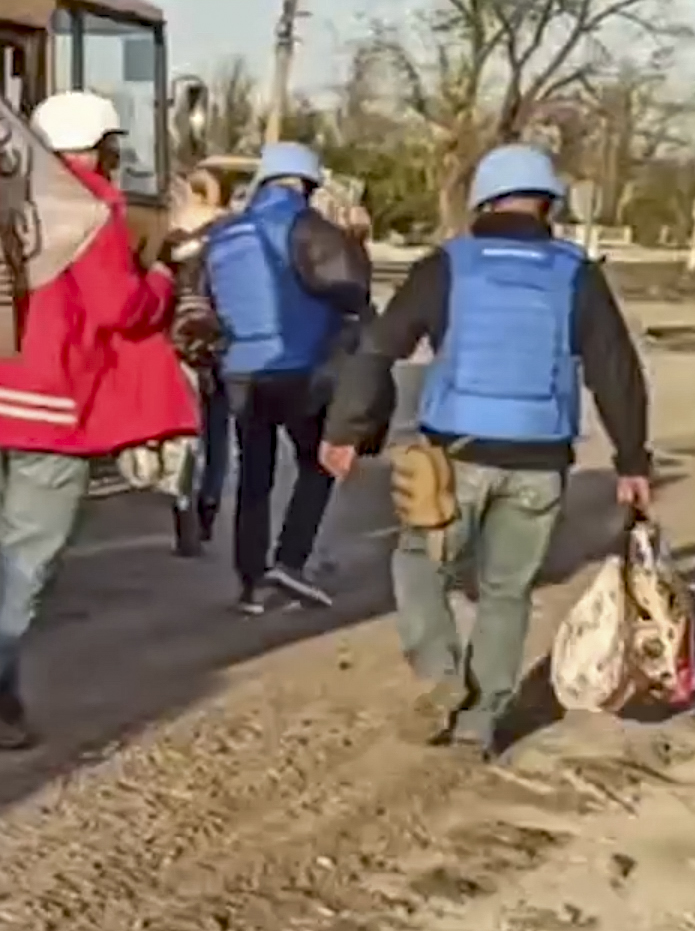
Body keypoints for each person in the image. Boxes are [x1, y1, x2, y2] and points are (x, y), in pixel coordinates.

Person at [320, 143, 651, 757]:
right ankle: (479, 724)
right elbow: (616, 370)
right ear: (548, 204)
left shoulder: (448, 265)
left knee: (419, 564)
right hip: (541, 462)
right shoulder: (576, 272)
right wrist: (632, 461)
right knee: (506, 592)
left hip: (457, 456)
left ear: (483, 202)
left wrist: (345, 430)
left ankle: (442, 675)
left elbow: (379, 348)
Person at [0, 91, 193, 751]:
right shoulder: (87, 204)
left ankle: (0, 695)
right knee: (27, 561)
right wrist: (164, 278)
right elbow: (118, 308)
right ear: (100, 148)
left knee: (2, 549)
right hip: (49, 403)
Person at [199, 142, 372, 613]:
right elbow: (352, 292)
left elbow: (205, 299)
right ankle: (290, 560)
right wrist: (356, 244)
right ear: (307, 185)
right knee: (319, 461)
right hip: (300, 365)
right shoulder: (310, 228)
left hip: (241, 370)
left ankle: (250, 582)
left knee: (254, 475)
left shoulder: (224, 234)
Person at [166, 168, 233, 558]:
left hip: (177, 342)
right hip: (219, 340)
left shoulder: (169, 231)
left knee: (184, 435)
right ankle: (208, 505)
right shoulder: (229, 230)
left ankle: (183, 509)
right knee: (217, 431)